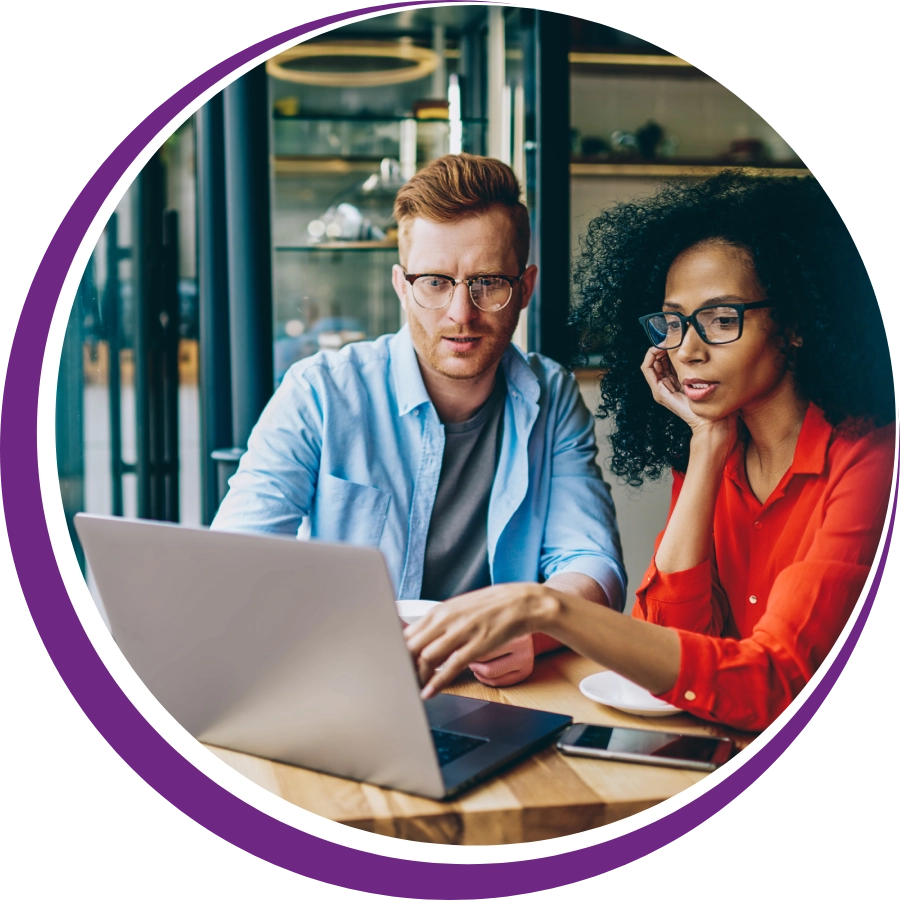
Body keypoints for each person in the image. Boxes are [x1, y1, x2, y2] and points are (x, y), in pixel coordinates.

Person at [406, 171, 895, 732]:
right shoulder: (717, 451)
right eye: (673, 321)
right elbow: (670, 642)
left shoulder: (872, 460)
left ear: (796, 324)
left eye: (719, 319)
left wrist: (547, 608)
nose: (685, 349)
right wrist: (706, 448)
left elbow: (782, 682)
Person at [212, 153, 626, 689]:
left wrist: (534, 632)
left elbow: (593, 563)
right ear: (401, 286)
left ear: (524, 289)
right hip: (345, 678)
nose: (461, 312)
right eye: (434, 282)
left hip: (500, 692)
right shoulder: (319, 391)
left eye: (488, 282)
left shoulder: (552, 395)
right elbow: (235, 562)